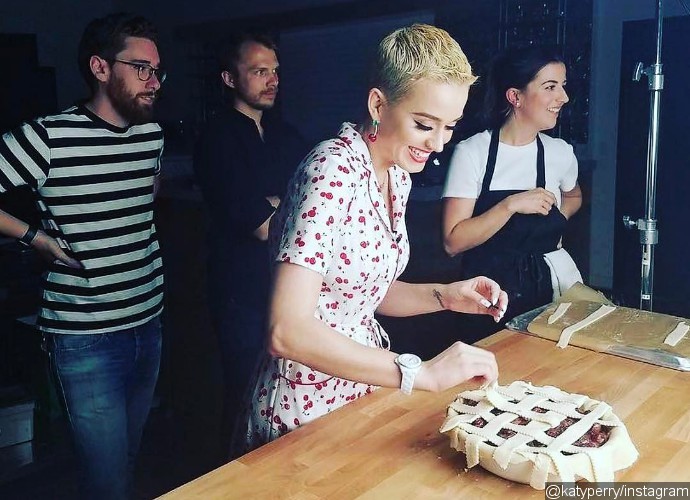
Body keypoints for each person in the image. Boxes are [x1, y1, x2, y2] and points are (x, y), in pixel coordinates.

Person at [235, 24, 507, 454]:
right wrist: (420, 372)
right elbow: (286, 330)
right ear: (379, 104)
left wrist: (444, 295)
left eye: (449, 127)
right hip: (302, 408)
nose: (437, 144)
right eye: (424, 124)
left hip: (359, 389)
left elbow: (359, 294)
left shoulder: (396, 175)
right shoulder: (330, 173)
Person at [0, 13, 165, 499]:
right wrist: (34, 237)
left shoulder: (150, 134)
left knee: (131, 457)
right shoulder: (49, 136)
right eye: (141, 68)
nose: (154, 82)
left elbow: (144, 200)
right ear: (99, 67)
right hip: (84, 338)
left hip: (149, 322)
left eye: (158, 71)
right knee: (106, 479)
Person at [193, 31, 307, 457]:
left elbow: (312, 206)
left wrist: (280, 202)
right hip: (241, 295)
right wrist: (285, 203)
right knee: (245, 396)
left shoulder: (289, 135)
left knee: (288, 399)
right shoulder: (217, 138)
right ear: (229, 78)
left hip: (291, 292)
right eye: (259, 71)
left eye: (275, 71)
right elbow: (261, 223)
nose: (271, 80)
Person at [442, 46, 583, 340]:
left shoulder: (560, 153)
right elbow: (453, 242)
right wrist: (510, 205)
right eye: (550, 87)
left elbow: (573, 197)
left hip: (549, 290)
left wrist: (553, 223)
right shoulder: (473, 153)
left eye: (563, 86)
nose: (564, 98)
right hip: (487, 296)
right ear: (515, 97)